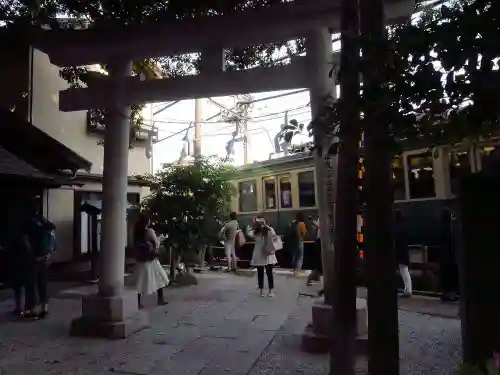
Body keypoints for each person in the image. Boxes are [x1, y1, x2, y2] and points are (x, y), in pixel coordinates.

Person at [22, 201, 56, 319]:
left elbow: (26, 241)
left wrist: (30, 255)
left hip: (34, 258)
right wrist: (49, 253)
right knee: (43, 283)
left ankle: (32, 311)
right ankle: (44, 309)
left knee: (31, 284)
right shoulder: (43, 220)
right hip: (45, 257)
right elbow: (52, 233)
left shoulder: (27, 223)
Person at [133, 214, 169, 309]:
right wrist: (160, 239)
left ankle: (138, 302)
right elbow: (156, 244)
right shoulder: (150, 231)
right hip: (151, 259)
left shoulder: (137, 232)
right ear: (147, 222)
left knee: (140, 280)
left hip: (141, 259)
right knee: (160, 277)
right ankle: (160, 299)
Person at [247, 218, 277, 297]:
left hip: (263, 255)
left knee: (264, 273)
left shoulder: (262, 232)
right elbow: (249, 233)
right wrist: (261, 224)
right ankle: (266, 291)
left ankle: (265, 291)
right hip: (264, 255)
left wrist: (262, 225)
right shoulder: (263, 231)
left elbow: (249, 233)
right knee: (265, 273)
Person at [439, 208, 459, 303]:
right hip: (451, 254)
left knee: (445, 274)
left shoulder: (441, 227)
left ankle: (445, 293)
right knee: (451, 274)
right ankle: (451, 295)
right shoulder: (452, 227)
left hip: (444, 255)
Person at [395, 209, 412, 298]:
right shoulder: (404, 226)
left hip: (398, 252)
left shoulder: (395, 227)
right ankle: (408, 290)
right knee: (404, 270)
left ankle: (407, 290)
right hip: (404, 251)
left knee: (403, 270)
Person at [287, 212, 307, 277]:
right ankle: (298, 271)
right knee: (300, 257)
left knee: (295, 256)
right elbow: (304, 234)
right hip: (300, 241)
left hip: (294, 242)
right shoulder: (302, 224)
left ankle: (294, 269)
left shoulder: (295, 223)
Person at [307, 216, 323, 287]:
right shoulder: (322, 217)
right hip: (319, 240)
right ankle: (314, 277)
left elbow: (322, 228)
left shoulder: (323, 217)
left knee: (318, 261)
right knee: (318, 261)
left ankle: (314, 277)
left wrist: (315, 224)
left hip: (320, 240)